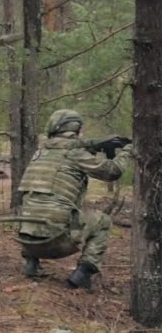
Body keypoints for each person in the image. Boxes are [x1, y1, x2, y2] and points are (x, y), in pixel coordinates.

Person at [16, 109, 132, 289]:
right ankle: (83, 274)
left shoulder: (40, 153)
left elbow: (75, 146)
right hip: (56, 243)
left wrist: (97, 144)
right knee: (103, 221)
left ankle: (31, 264)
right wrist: (127, 150)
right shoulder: (76, 154)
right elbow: (113, 172)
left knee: (37, 206)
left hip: (27, 242)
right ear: (76, 128)